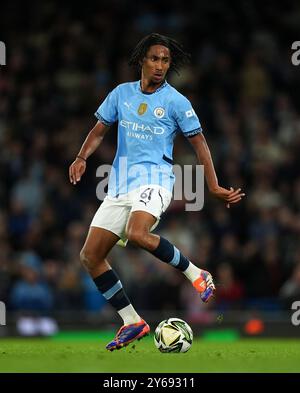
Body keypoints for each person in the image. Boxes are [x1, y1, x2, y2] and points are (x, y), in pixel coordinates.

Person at [69, 33, 245, 351]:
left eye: (166, 60)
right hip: (119, 185)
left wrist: (213, 185)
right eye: (155, 58)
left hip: (156, 181)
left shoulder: (176, 101)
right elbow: (98, 131)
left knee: (138, 233)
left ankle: (196, 274)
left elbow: (200, 143)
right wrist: (82, 157)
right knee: (90, 257)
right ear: (142, 61)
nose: (160, 65)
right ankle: (132, 321)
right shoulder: (121, 94)